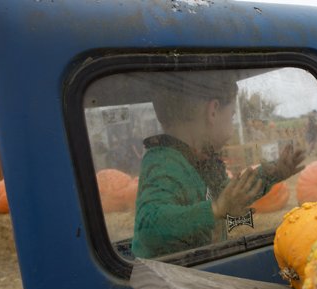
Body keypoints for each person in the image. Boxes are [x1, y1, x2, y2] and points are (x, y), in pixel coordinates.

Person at [131, 71, 305, 258]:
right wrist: (216, 210)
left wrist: (271, 174)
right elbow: (148, 227)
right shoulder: (164, 163)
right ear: (213, 111)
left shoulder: (204, 160)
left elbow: (228, 195)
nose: (231, 130)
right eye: (231, 116)